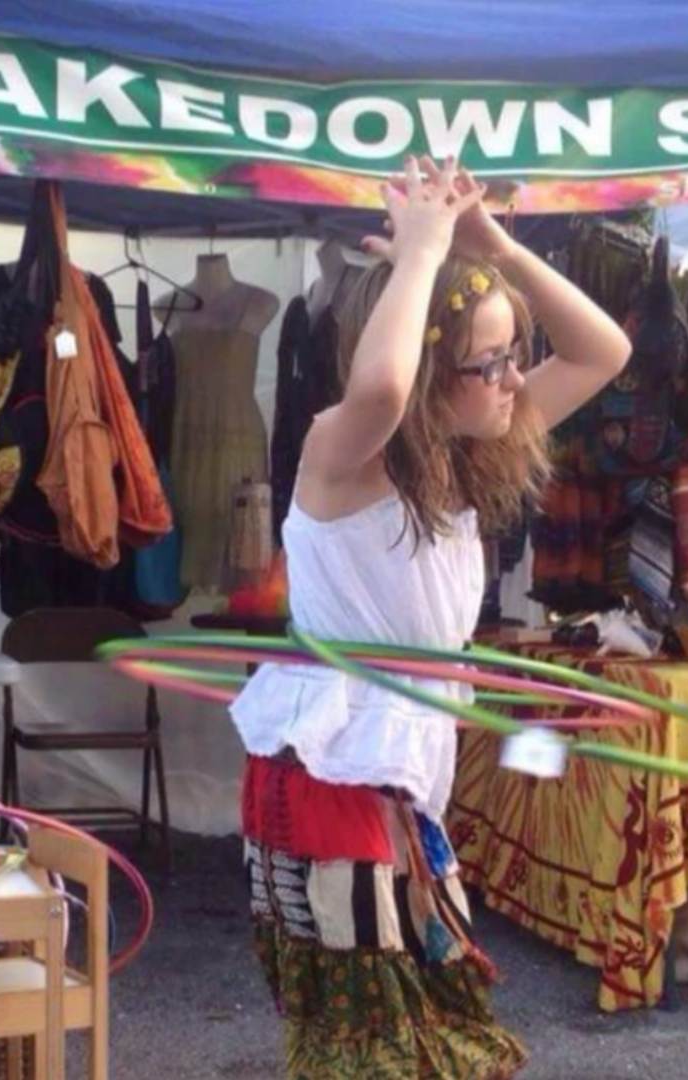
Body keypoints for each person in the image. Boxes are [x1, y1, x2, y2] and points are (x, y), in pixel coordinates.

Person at [229, 156, 632, 1080]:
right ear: (432, 370)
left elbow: (602, 352)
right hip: (328, 767)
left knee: (436, 1013)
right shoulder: (341, 453)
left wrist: (488, 245)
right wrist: (420, 254)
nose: (508, 378)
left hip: (401, 767)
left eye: (509, 356)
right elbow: (380, 390)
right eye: (484, 362)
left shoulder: (464, 448)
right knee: (374, 1041)